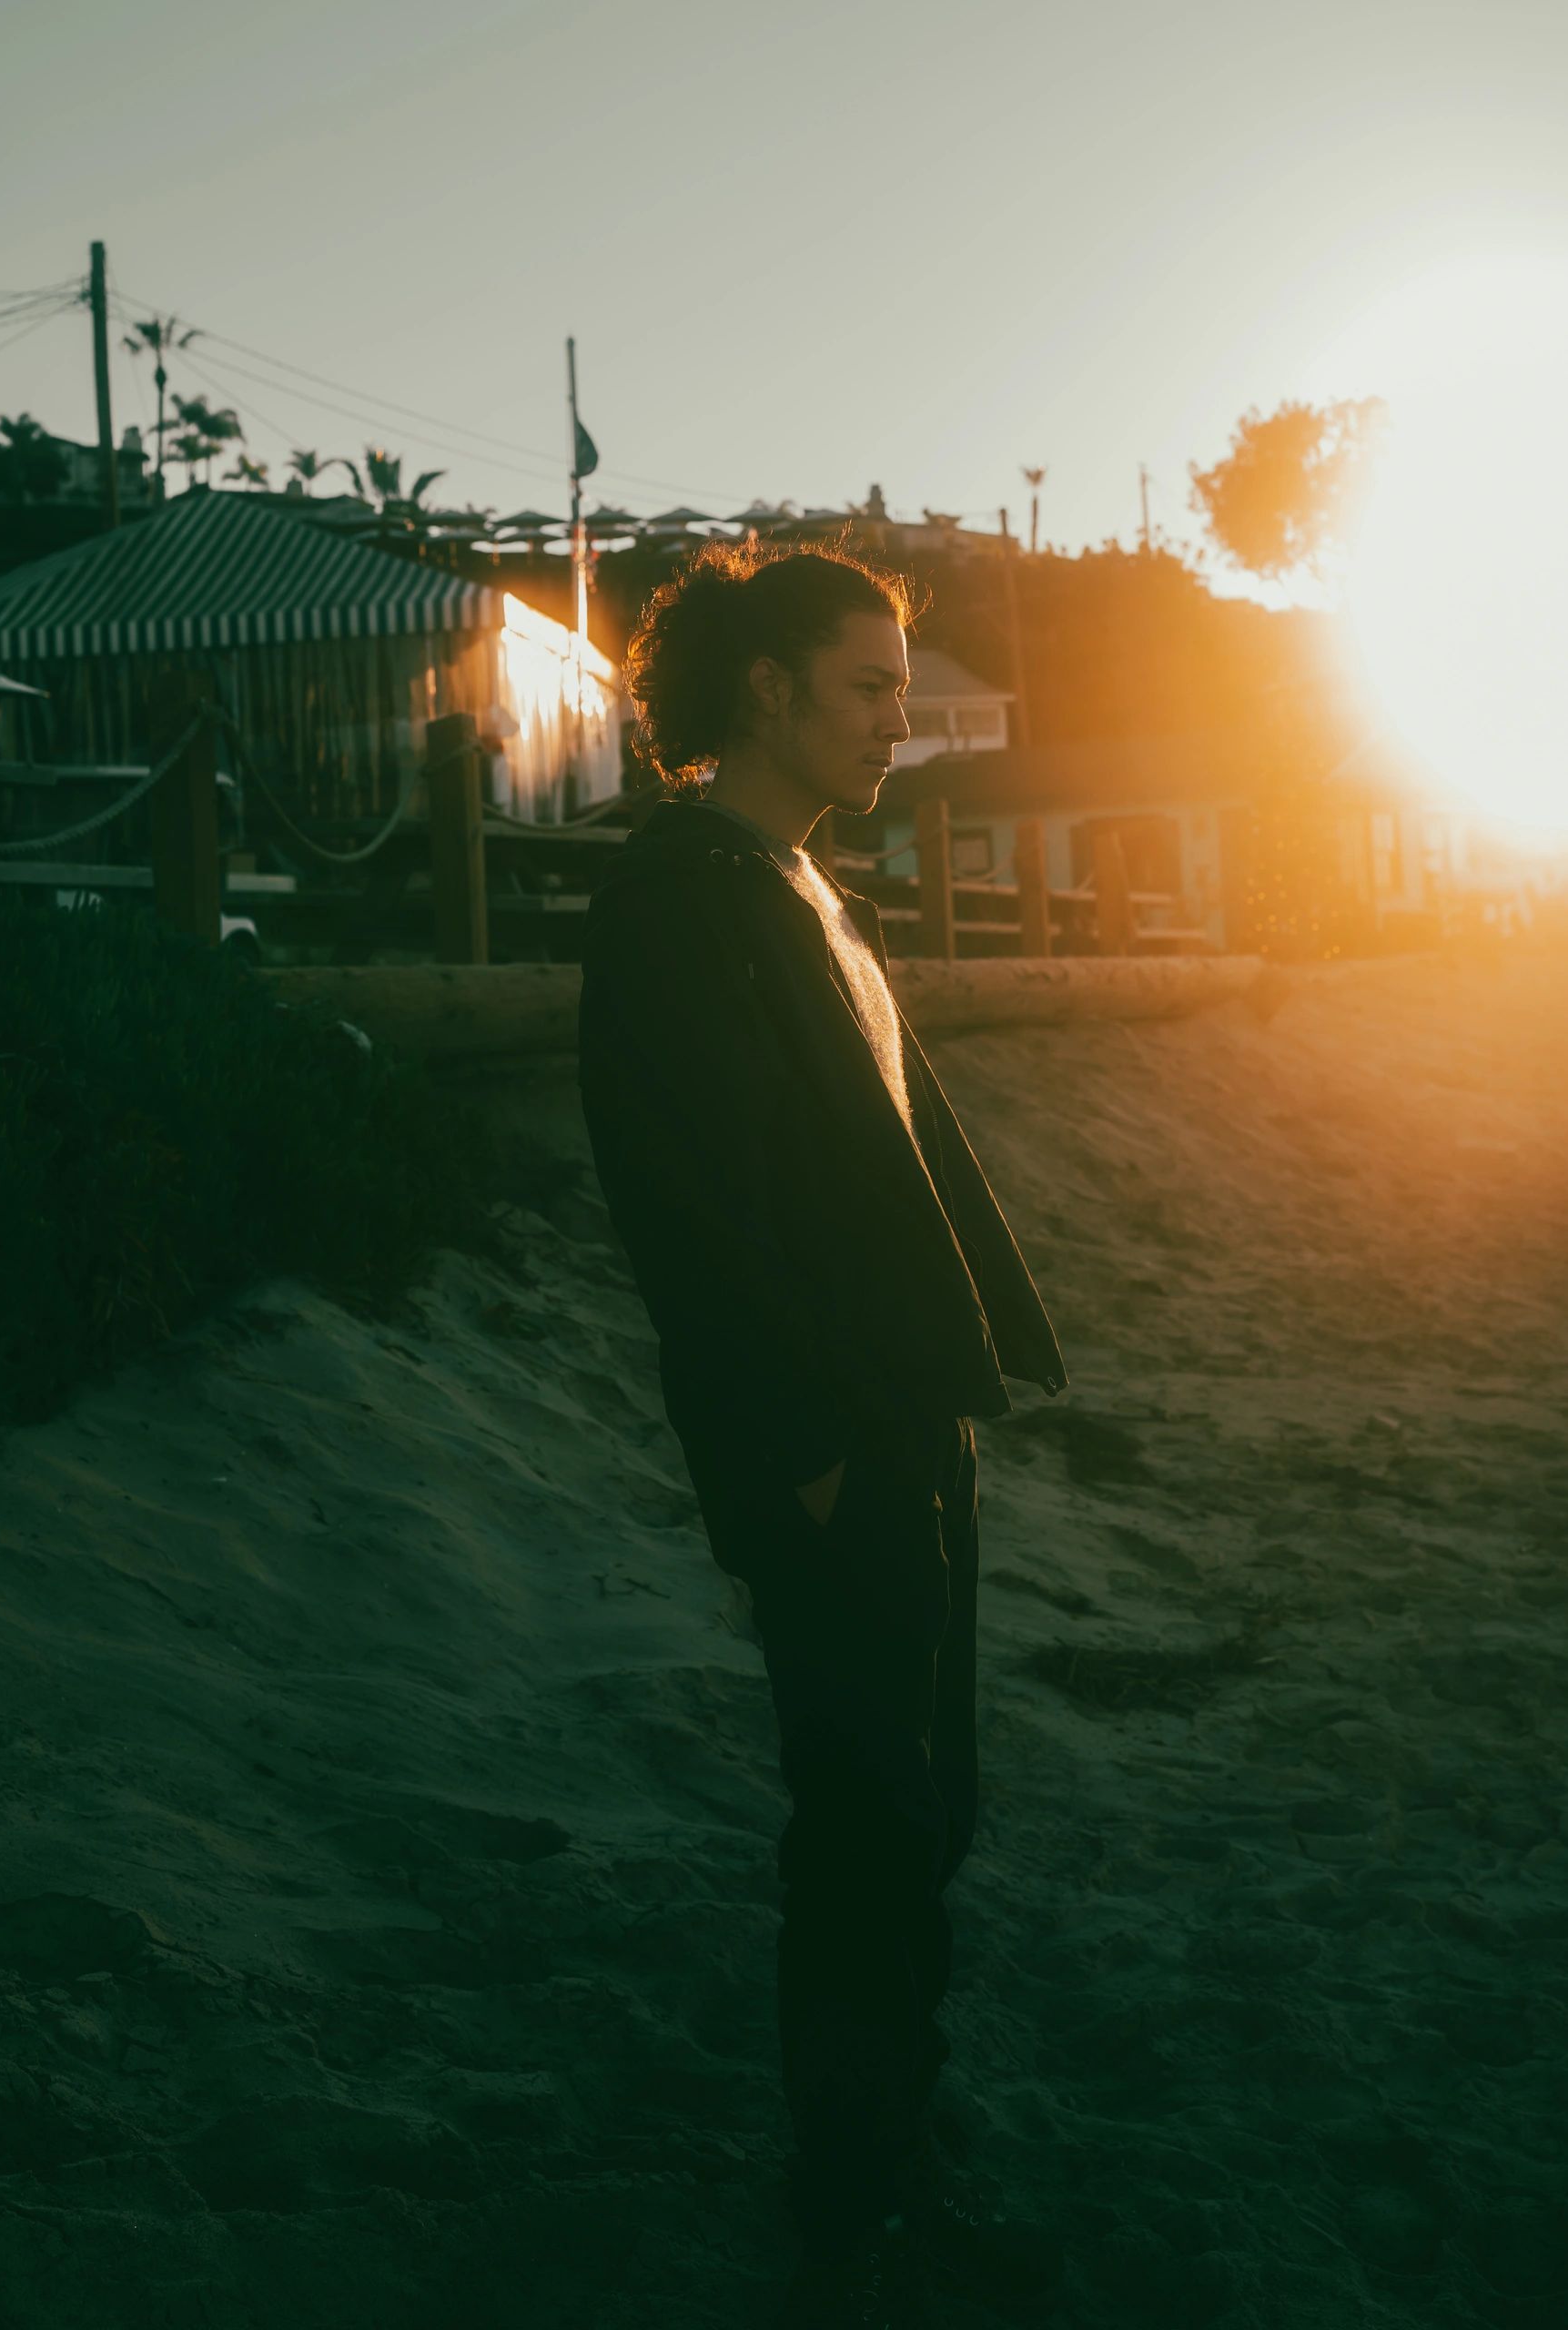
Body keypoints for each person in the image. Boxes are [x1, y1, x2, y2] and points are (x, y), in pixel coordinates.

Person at [576, 537, 1067, 2322]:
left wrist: (934, 1403)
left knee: (922, 1802)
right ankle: (853, 2202)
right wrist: (803, 1448)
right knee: (861, 1815)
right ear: (766, 690)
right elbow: (688, 1205)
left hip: (903, 1420)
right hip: (829, 1443)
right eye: (866, 688)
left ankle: (892, 2145)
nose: (895, 721)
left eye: (901, 689)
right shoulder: (681, 897)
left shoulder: (802, 886)